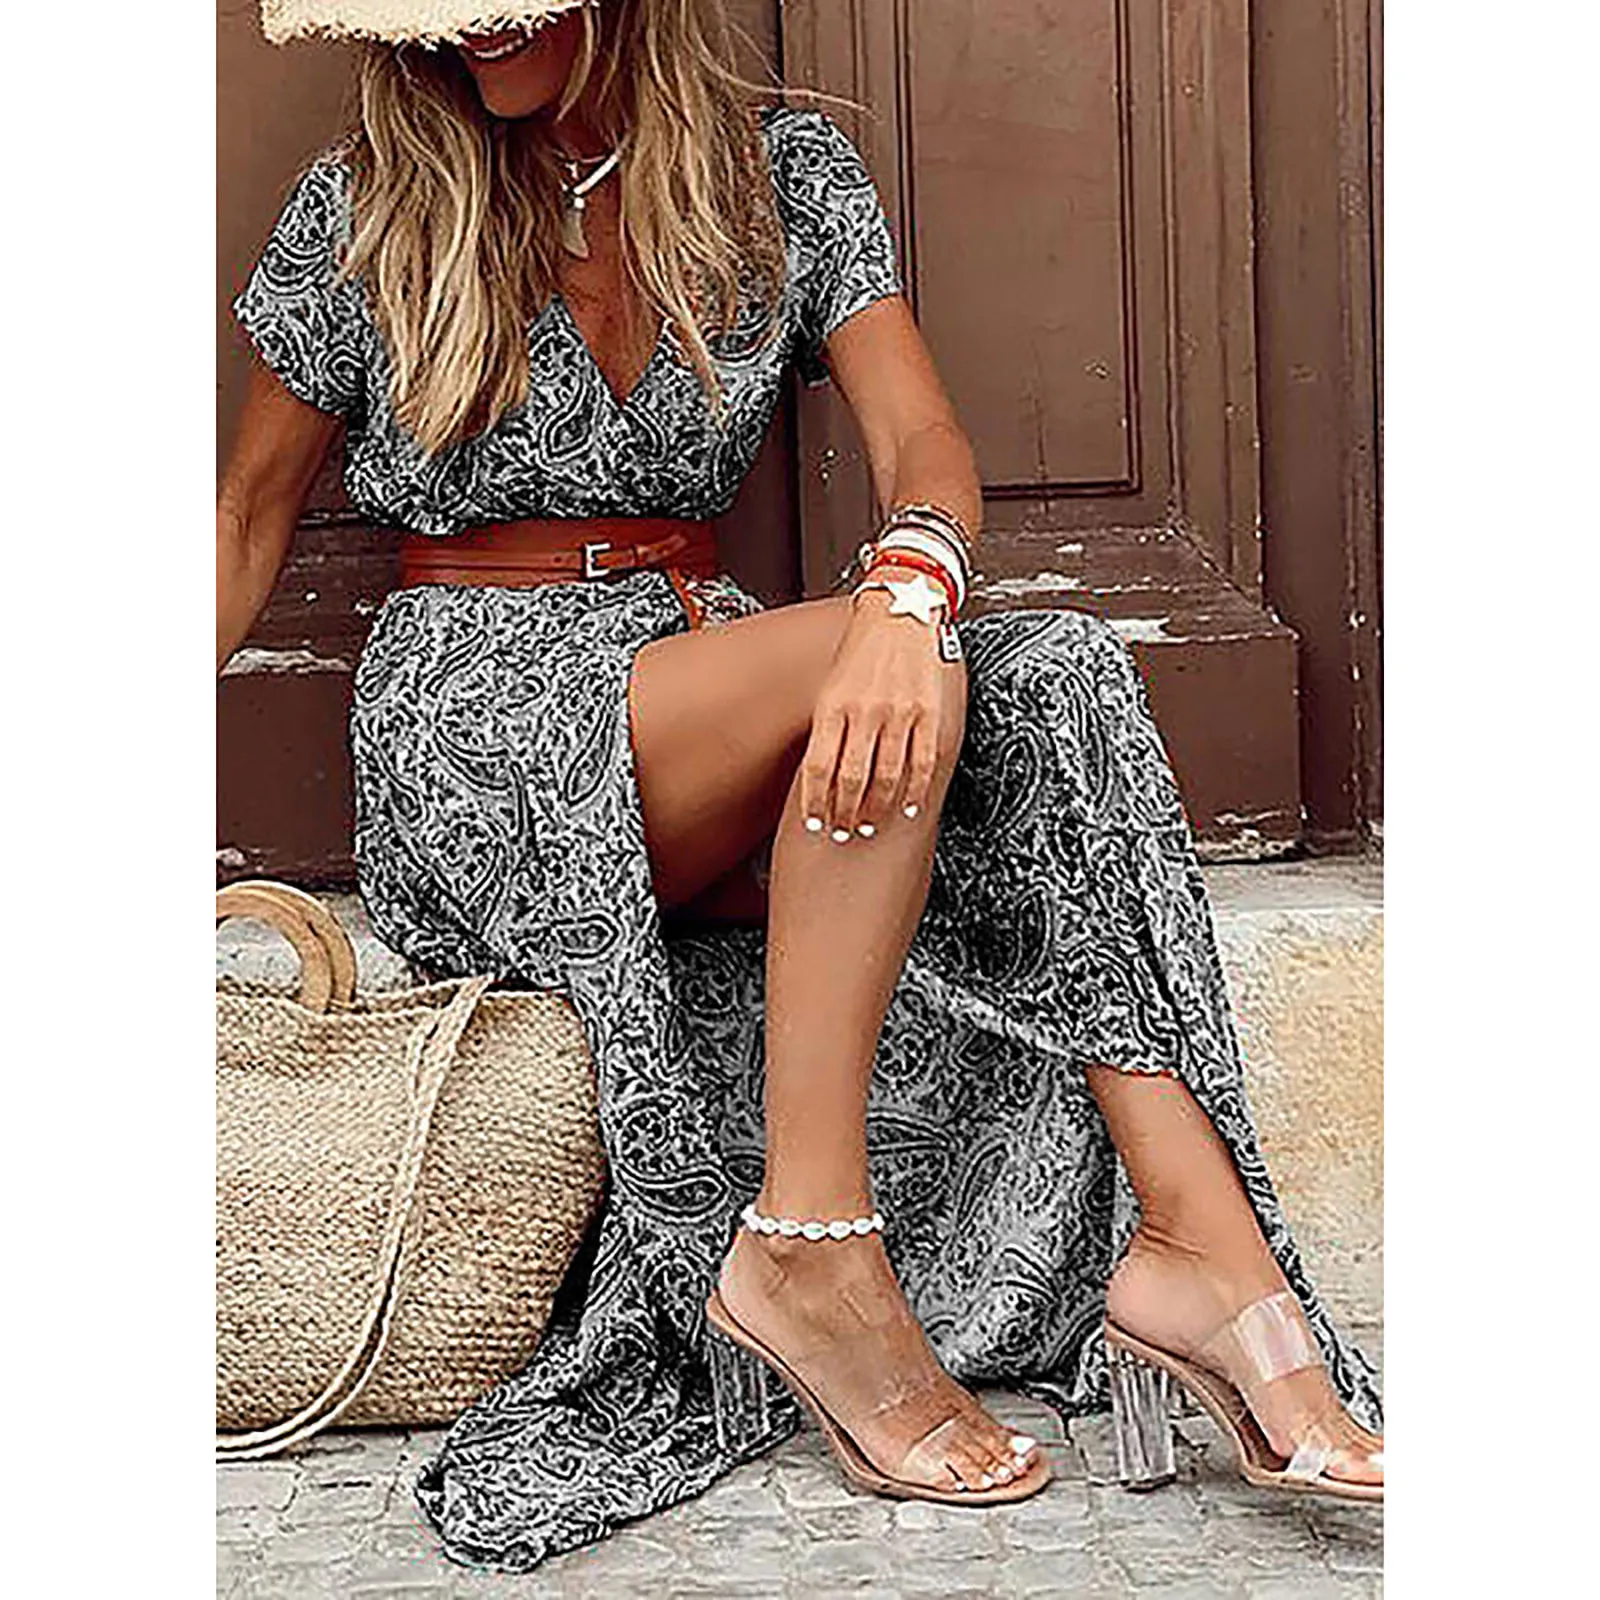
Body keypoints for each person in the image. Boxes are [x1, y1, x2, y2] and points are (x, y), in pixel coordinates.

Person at [220, 0, 1383, 1573]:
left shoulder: (785, 177)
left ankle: (1203, 1252)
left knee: (1052, 678)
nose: (474, 36)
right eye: (445, 11)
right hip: (483, 716)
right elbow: (245, 522)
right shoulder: (366, 205)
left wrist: (913, 578)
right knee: (887, 660)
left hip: (699, 665)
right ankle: (811, 1251)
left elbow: (923, 440)